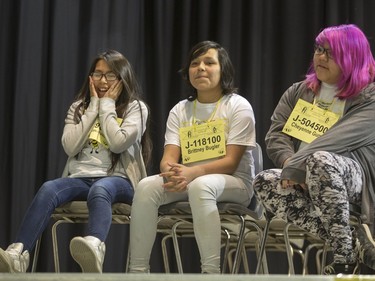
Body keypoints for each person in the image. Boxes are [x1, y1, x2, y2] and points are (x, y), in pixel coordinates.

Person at [0, 50, 151, 273]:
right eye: (97, 74)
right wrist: (93, 109)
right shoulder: (78, 108)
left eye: (110, 75)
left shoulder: (136, 107)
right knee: (49, 188)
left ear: (122, 77)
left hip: (119, 181)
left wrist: (107, 105)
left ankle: (94, 245)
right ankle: (19, 254)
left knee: (100, 189)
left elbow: (119, 143)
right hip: (80, 178)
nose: (102, 80)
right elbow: (69, 146)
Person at [253, 24, 375, 275]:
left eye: (330, 53)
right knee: (264, 180)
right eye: (319, 50)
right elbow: (277, 134)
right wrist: (288, 161)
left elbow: (337, 140)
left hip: (352, 180)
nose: (320, 57)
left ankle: (342, 257)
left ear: (352, 57)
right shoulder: (298, 92)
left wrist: (298, 166)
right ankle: (350, 244)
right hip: (300, 176)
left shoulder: (369, 96)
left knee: (321, 159)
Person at [128, 40, 256, 274]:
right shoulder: (180, 109)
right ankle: (137, 272)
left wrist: (191, 173)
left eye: (209, 62)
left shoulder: (238, 106)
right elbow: (168, 158)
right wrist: (171, 171)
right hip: (188, 178)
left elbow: (231, 162)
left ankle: (210, 273)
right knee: (146, 186)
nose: (201, 68)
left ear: (223, 70)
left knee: (201, 186)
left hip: (234, 181)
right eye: (194, 63)